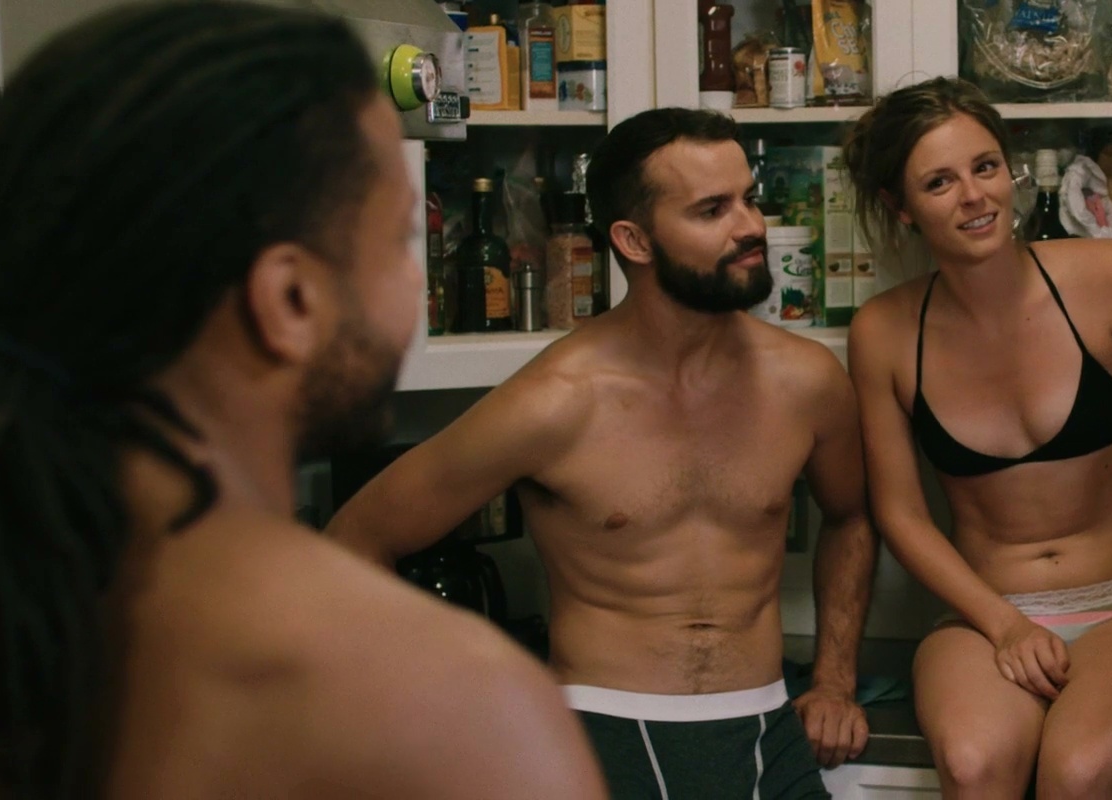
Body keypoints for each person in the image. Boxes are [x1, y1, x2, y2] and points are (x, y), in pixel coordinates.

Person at [0, 3, 608, 799]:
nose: (415, 285)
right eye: (401, 240)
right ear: (290, 300)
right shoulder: (446, 703)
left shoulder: (2, 609)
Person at [327, 107, 876, 799]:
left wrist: (833, 681)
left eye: (749, 199)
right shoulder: (553, 402)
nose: (751, 226)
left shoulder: (807, 383)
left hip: (766, 730)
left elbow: (851, 518)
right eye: (713, 210)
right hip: (601, 735)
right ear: (634, 241)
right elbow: (355, 540)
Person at [843, 77, 1112, 798]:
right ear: (901, 207)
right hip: (984, 614)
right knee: (975, 763)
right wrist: (1006, 626)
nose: (974, 196)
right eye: (939, 182)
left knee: (1079, 770)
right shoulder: (884, 332)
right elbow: (901, 514)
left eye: (985, 167)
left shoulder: (1111, 276)